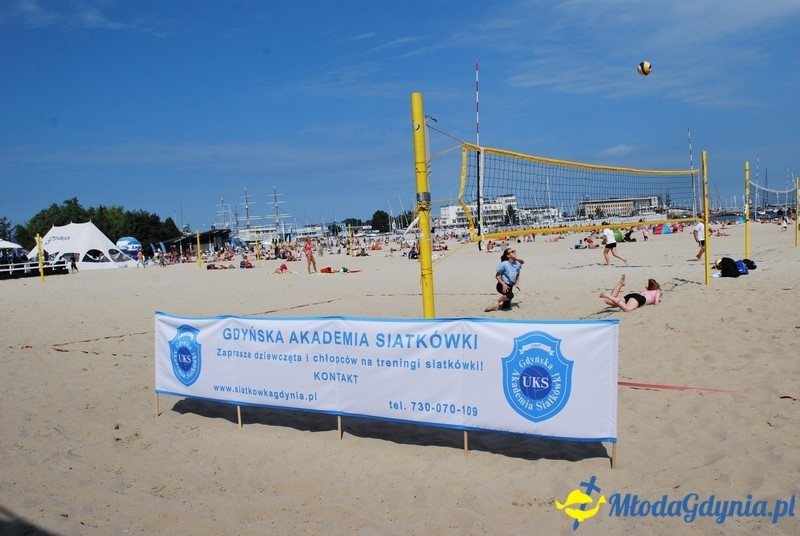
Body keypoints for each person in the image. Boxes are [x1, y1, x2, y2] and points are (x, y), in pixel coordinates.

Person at [485, 247, 525, 312]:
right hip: (501, 285)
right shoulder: (504, 264)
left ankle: (498, 305)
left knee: (506, 307)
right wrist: (503, 284)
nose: (514, 252)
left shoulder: (517, 264)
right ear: (508, 255)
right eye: (512, 252)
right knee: (511, 295)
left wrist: (517, 284)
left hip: (510, 286)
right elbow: (497, 276)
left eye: (514, 251)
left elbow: (518, 274)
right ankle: (497, 302)